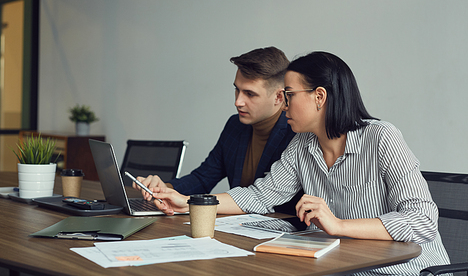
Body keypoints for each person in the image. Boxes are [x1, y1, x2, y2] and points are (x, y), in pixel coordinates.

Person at [150, 51, 451, 275]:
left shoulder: (381, 137)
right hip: (346, 265)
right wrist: (188, 201)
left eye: (290, 95)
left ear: (319, 97)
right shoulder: (302, 145)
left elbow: (423, 219)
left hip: (407, 268)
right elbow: (259, 195)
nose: (284, 103)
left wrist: (338, 224)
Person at [134, 46, 300, 213]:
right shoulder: (235, 125)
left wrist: (187, 202)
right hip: (236, 228)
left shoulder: (296, 133)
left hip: (282, 232)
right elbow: (203, 177)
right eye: (237, 89)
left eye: (250, 94)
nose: (238, 102)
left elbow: (263, 198)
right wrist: (164, 188)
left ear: (279, 97)